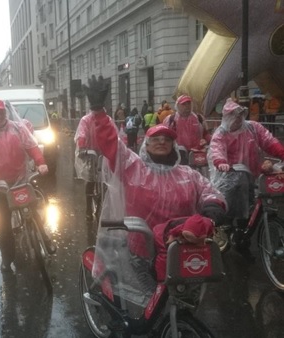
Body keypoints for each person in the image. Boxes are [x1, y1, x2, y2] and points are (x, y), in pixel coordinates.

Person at [81, 75, 226, 289]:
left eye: (167, 140)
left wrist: (211, 213)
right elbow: (112, 144)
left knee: (181, 303)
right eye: (155, 140)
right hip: (141, 251)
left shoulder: (188, 174)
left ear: (173, 146)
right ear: (145, 146)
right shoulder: (133, 167)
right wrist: (99, 112)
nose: (161, 143)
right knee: (148, 305)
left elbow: (210, 193)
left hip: (181, 249)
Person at [0, 99, 55, 273]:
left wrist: (40, 162)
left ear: (5, 112)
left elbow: (32, 146)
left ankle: (45, 239)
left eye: (1, 112)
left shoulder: (18, 128)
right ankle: (7, 258)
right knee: (3, 224)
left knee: (32, 210)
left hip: (20, 180)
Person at [209, 98, 284, 232]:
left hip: (252, 174)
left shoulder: (253, 127)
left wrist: (281, 153)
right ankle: (228, 228)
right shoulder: (221, 133)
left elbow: (268, 141)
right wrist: (221, 162)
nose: (237, 118)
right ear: (226, 117)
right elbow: (217, 149)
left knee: (250, 205)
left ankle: (244, 231)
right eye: (233, 115)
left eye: (239, 115)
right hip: (230, 177)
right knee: (231, 207)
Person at [162, 94, 211, 164]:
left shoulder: (199, 118)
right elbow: (164, 136)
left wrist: (211, 142)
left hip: (196, 154)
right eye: (184, 104)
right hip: (178, 154)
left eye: (189, 104)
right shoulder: (170, 120)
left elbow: (206, 134)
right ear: (178, 106)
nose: (187, 106)